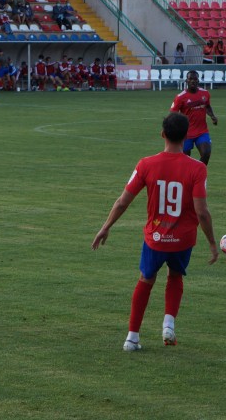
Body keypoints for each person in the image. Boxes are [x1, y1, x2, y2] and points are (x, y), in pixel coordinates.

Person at [91, 112, 218, 352]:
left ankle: (132, 338)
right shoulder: (198, 168)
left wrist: (105, 227)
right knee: (175, 276)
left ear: (162, 134)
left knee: (146, 280)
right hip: (183, 240)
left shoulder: (146, 164)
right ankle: (168, 325)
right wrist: (212, 242)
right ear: (187, 136)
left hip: (156, 239)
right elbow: (202, 212)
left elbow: (122, 202)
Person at [169, 70, 218, 166]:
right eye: (190, 79)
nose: (193, 81)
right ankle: (187, 174)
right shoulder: (180, 97)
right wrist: (175, 128)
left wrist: (212, 116)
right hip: (186, 133)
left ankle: (198, 172)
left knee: (206, 153)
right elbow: (173, 114)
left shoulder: (205, 93)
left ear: (198, 81)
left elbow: (207, 106)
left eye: (195, 79)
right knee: (184, 160)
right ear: (186, 81)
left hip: (202, 131)